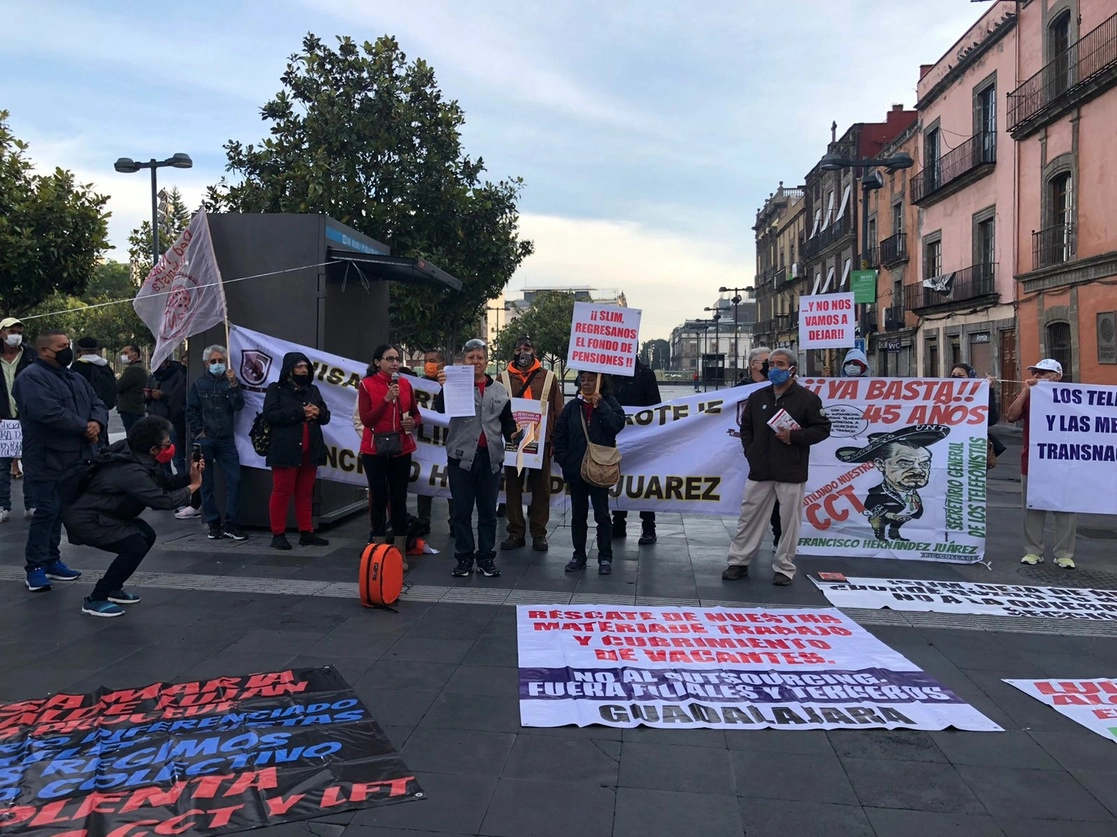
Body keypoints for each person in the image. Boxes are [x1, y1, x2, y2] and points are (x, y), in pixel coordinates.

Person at [62, 416, 203, 617]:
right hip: (87, 519)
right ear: (153, 449)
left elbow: (166, 482)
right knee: (134, 546)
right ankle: (96, 599)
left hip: (106, 513)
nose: (170, 447)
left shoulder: (138, 455)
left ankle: (113, 587)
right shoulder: (130, 470)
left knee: (146, 535)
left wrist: (190, 474)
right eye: (166, 444)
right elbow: (162, 500)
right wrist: (192, 487)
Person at [722, 349, 831, 586]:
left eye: (779, 364)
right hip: (760, 469)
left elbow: (822, 429)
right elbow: (746, 428)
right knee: (749, 517)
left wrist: (794, 436)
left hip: (791, 469)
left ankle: (784, 567)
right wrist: (752, 452)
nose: (773, 368)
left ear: (792, 369)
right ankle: (738, 562)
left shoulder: (807, 399)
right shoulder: (758, 397)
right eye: (770, 364)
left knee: (788, 522)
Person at [12, 330, 109, 592]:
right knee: (46, 512)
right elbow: (48, 412)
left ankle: (52, 560)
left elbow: (97, 402)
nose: (68, 349)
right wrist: (84, 427)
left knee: (59, 512)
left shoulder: (74, 377)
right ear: (44, 351)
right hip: (45, 458)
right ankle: (35, 567)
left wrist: (97, 422)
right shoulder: (31, 378)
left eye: (69, 345)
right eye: (62, 346)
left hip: (74, 458)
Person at [434, 339, 519, 578]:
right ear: (464, 361)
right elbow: (440, 408)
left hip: (490, 458)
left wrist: (513, 433)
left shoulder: (499, 390)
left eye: (480, 357)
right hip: (460, 459)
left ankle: (485, 558)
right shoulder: (454, 385)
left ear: (487, 361)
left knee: (487, 513)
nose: (476, 362)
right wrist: (443, 387)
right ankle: (464, 558)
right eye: (471, 358)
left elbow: (507, 421)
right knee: (461, 512)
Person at [1004, 358, 1078, 568]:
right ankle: (1033, 552)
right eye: (1035, 372)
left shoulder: (1073, 397)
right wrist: (1026, 392)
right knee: (1032, 508)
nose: (1036, 376)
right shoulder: (1030, 395)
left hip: (1065, 462)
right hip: (1033, 461)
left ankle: (1064, 554)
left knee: (1066, 509)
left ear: (1057, 376)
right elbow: (1011, 416)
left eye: (1042, 373)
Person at [553, 371, 626, 574]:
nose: (585, 383)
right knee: (578, 516)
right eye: (582, 379)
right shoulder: (572, 407)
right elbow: (559, 435)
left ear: (600, 381)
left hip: (600, 469)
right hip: (576, 471)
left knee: (602, 515)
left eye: (591, 379)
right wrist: (566, 460)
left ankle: (605, 557)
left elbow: (616, 425)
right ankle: (579, 555)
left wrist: (600, 405)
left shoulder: (609, 403)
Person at [499, 335, 564, 553]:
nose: (523, 352)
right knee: (513, 489)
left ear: (535, 351)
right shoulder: (503, 378)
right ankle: (515, 533)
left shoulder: (548, 377)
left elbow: (558, 410)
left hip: (541, 442)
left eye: (527, 348)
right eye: (518, 348)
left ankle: (539, 534)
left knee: (541, 489)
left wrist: (555, 439)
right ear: (513, 352)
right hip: (513, 441)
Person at [359, 344, 422, 565]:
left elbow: (416, 414)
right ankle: (377, 549)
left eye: (397, 359)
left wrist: (412, 422)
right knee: (378, 497)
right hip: (375, 449)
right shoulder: (366, 385)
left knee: (399, 498)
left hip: (401, 448)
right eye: (389, 359)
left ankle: (399, 552)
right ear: (377, 362)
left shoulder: (405, 384)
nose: (395, 363)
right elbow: (367, 420)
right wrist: (386, 399)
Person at [264, 352, 332, 550]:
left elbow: (326, 416)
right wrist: (300, 412)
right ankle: (278, 534)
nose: (303, 370)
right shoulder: (276, 389)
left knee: (304, 493)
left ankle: (306, 532)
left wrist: (318, 413)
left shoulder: (313, 389)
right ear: (289, 369)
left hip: (310, 450)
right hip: (285, 449)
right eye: (299, 367)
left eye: (305, 367)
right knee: (282, 491)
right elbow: (270, 415)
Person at [836, 425, 950, 541]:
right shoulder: (877, 492)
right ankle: (880, 538)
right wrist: (888, 515)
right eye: (905, 463)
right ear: (881, 465)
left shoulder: (914, 494)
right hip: (883, 520)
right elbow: (871, 507)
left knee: (895, 527)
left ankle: (894, 535)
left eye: (924, 464)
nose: (918, 470)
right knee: (880, 526)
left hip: (904, 519)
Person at [185, 344, 247, 541]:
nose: (218, 364)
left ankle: (231, 523)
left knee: (235, 480)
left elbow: (239, 405)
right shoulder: (199, 384)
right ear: (206, 364)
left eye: (221, 361)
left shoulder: (230, 383)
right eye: (214, 361)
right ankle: (213, 523)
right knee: (205, 483)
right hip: (205, 440)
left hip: (226, 440)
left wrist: (234, 385)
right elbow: (190, 410)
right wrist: (199, 432)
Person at [612, 357, 660, 544]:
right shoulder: (611, 374)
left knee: (644, 481)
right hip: (618, 436)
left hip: (641, 438)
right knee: (616, 478)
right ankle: (618, 522)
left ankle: (648, 526)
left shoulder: (645, 373)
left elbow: (655, 406)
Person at [146, 355, 192, 516]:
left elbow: (178, 398)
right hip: (155, 420)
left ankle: (183, 496)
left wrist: (163, 395)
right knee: (160, 459)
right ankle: (163, 495)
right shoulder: (153, 375)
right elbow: (144, 395)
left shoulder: (178, 373)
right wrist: (148, 395)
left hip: (171, 421)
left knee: (177, 457)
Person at [0, 316, 34, 523]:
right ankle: (3, 505)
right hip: (3, 421)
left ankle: (31, 504)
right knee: (2, 466)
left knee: (30, 463)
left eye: (19, 332)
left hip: (27, 420)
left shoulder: (30, 356)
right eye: (12, 331)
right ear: (2, 333)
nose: (16, 336)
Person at [416, 349, 451, 535]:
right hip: (426, 441)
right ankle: (423, 520)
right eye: (426, 361)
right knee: (425, 480)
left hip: (447, 441)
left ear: (442, 364)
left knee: (450, 481)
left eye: (432, 361)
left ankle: (455, 521)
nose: (428, 364)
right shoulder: (418, 385)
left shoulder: (450, 384)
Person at [950, 363, 1006, 466]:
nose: (956, 378)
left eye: (960, 375)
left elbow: (991, 419)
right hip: (951, 447)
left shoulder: (979, 395)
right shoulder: (944, 396)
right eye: (953, 375)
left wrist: (989, 390)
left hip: (973, 447)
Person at [72, 337, 118, 422]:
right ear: (96, 349)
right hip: (102, 407)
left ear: (79, 350)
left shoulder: (77, 367)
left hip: (83, 408)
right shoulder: (104, 365)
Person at [116, 344, 148, 433]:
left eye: (126, 353)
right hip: (134, 408)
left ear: (135, 354)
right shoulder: (136, 368)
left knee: (133, 436)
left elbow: (119, 386)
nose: (123, 355)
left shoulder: (134, 369)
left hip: (131, 409)